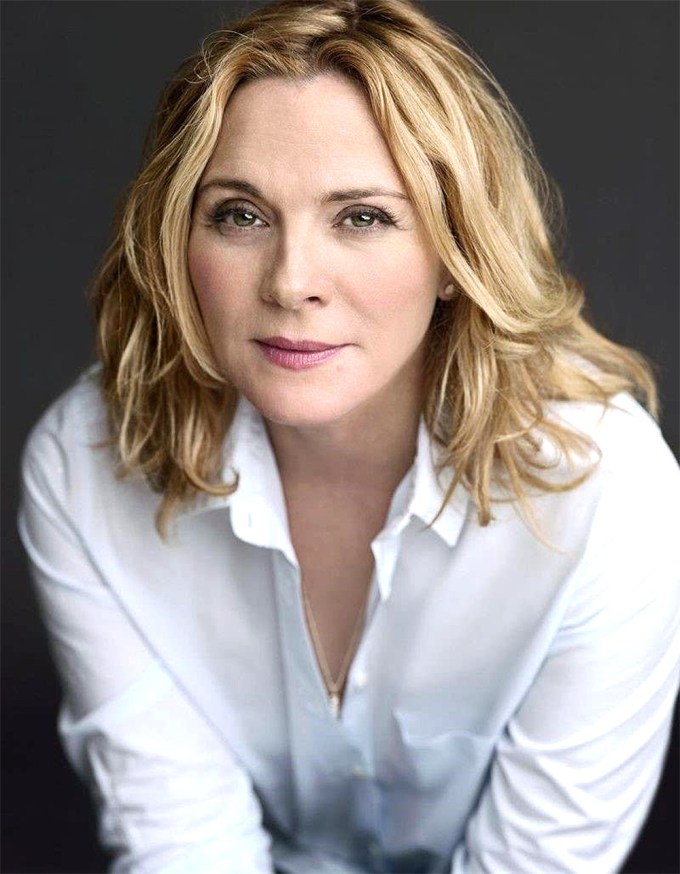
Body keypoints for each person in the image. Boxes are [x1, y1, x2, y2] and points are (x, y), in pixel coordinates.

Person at [17, 0, 680, 871]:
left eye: (362, 216)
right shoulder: (85, 466)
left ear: (456, 253)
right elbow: (183, 844)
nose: (292, 282)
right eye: (240, 215)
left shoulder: (607, 489)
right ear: (179, 239)